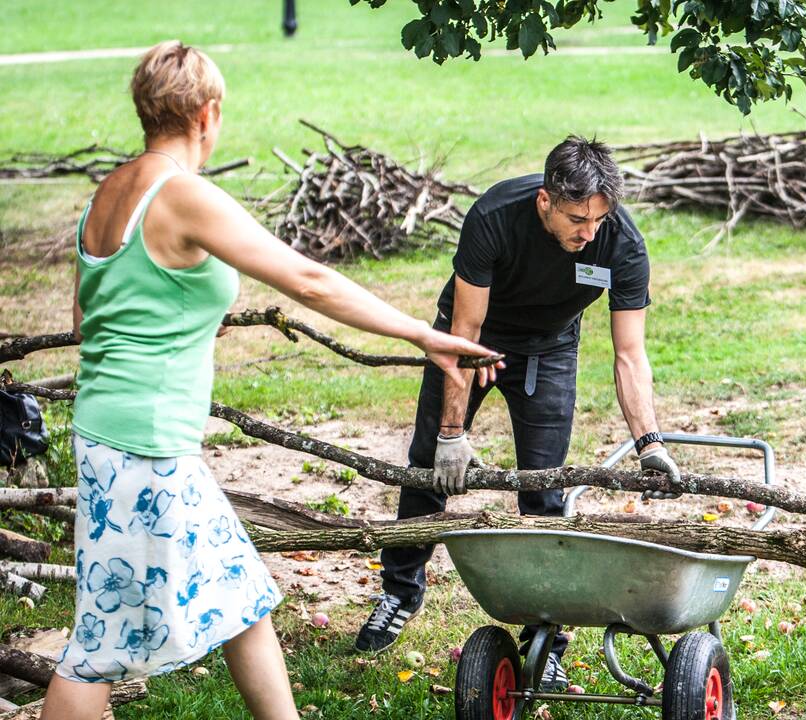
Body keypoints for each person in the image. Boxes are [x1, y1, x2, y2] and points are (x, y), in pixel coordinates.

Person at [41, 40, 501, 720]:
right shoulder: (183, 195)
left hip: (116, 434)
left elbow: (92, 316)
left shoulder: (108, 193)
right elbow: (307, 279)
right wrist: (422, 333)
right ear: (208, 114)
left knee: (241, 592)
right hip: (146, 445)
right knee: (98, 649)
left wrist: (191, 315)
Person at [353, 136, 681, 690]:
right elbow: (464, 331)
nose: (588, 233)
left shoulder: (620, 243)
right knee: (429, 467)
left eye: (598, 220)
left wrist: (650, 443)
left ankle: (544, 636)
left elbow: (629, 354)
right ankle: (399, 592)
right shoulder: (495, 216)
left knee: (544, 490)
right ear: (545, 202)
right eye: (578, 218)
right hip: (475, 337)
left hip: (550, 348)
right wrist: (452, 433)